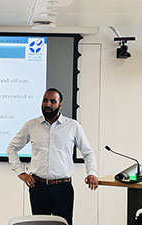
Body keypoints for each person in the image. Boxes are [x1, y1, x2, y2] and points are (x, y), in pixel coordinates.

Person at [7, 88, 98, 225]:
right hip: (38, 187)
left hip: (63, 188)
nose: (48, 104)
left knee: (63, 223)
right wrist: (21, 173)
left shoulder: (73, 126)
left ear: (60, 105)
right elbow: (11, 148)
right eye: (45, 100)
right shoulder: (31, 125)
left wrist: (92, 172)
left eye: (52, 101)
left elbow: (88, 152)